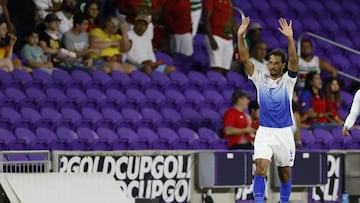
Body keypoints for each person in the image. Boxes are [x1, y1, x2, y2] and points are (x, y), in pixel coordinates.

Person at [237, 17, 297, 203]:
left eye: (277, 63)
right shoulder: (259, 79)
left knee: (284, 174)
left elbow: (294, 60)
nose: (272, 65)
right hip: (265, 131)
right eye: (270, 62)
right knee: (260, 168)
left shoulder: (288, 81)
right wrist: (240, 36)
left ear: (283, 65)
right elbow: (245, 59)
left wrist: (290, 38)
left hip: (284, 133)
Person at [203, 0, 236, 74]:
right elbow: (206, 20)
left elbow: (232, 20)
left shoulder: (229, 2)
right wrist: (211, 39)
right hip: (215, 36)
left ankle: (223, 85)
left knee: (225, 69)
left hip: (228, 38)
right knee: (216, 68)